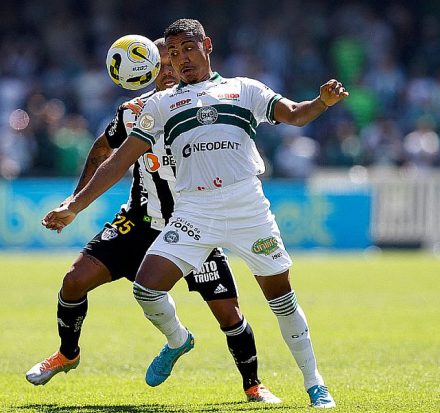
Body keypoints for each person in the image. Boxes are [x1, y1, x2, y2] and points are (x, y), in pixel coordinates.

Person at [43, 19, 348, 409]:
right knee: (146, 287)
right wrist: (74, 205)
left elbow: (295, 114)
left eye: (187, 49)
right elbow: (118, 161)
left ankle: (315, 384)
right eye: (171, 53)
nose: (180, 59)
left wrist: (321, 102)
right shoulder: (159, 104)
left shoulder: (244, 89)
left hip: (247, 207)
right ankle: (177, 340)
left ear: (206, 44)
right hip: (194, 211)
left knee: (280, 299)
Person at [27, 38, 281, 404]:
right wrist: (73, 201)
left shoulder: (202, 105)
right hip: (140, 221)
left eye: (172, 64)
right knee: (73, 281)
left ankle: (253, 385)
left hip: (195, 222)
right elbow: (103, 149)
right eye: (159, 65)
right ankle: (69, 353)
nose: (166, 71)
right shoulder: (134, 112)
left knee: (228, 314)